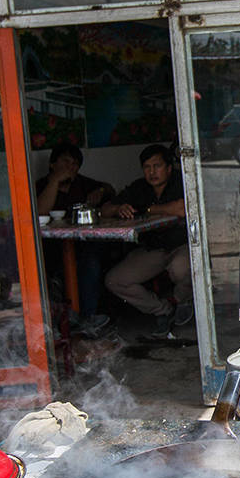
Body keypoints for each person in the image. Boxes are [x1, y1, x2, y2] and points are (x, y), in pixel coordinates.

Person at [102, 143, 192, 337]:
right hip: (153, 248)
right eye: (147, 167)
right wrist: (119, 209)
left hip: (182, 244)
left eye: (157, 166)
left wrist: (149, 209)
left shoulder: (182, 180)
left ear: (169, 167)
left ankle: (183, 301)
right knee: (115, 280)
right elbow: (105, 209)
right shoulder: (139, 187)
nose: (152, 172)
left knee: (180, 269)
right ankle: (163, 310)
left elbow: (181, 208)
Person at [35, 143, 114, 333]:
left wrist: (101, 192)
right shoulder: (40, 186)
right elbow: (39, 212)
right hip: (49, 250)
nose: (70, 167)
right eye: (65, 162)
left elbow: (109, 188)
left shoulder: (82, 184)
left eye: (75, 164)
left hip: (80, 248)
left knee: (91, 261)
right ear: (53, 164)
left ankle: (87, 319)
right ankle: (68, 320)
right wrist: (55, 181)